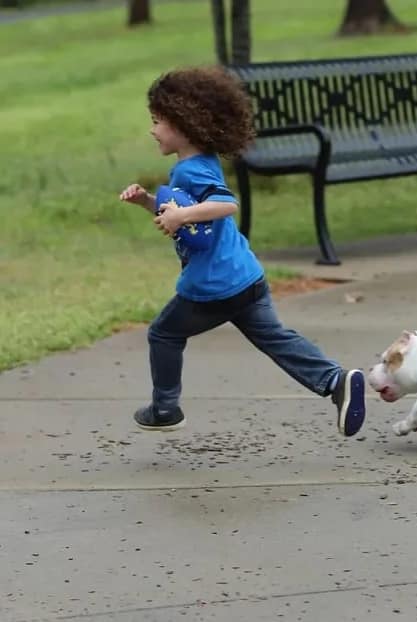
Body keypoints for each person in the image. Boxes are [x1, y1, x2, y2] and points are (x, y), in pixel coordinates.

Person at [119, 66, 365, 436]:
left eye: (157, 121)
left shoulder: (190, 171)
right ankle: (337, 381)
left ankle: (165, 409)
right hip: (246, 277)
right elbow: (190, 217)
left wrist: (181, 214)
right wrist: (148, 202)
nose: (152, 129)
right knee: (276, 339)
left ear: (183, 124)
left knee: (163, 334)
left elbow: (224, 204)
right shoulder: (199, 163)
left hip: (213, 286)